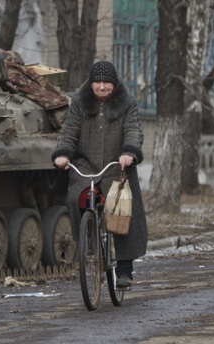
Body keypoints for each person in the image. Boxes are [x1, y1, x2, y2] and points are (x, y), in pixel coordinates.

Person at [51, 61, 148, 289]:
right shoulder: (79, 103)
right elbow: (70, 131)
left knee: (121, 210)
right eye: (98, 82)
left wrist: (129, 152)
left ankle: (124, 270)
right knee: (76, 198)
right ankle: (89, 248)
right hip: (85, 165)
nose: (102, 87)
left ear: (114, 84)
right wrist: (63, 154)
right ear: (91, 83)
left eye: (107, 83)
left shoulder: (127, 104)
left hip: (117, 165)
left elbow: (133, 130)